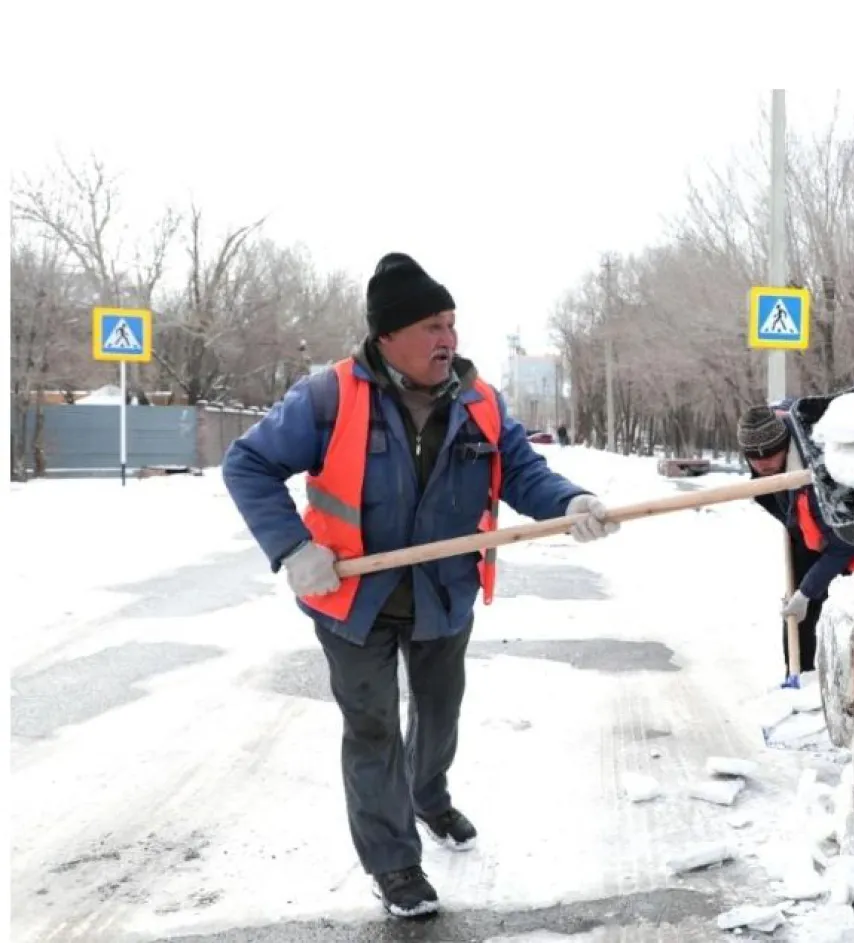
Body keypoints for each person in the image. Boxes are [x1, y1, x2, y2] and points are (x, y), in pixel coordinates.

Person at [222, 252, 619, 919]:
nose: (448, 338)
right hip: (353, 598)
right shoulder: (330, 395)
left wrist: (570, 501)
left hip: (442, 595)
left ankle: (429, 797)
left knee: (438, 716)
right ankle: (395, 861)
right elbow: (248, 464)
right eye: (433, 325)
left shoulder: (479, 401)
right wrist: (294, 547)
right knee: (374, 727)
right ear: (389, 337)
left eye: (452, 323)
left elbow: (523, 472)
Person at [736, 403, 854, 681]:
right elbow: (783, 410)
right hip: (820, 538)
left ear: (786, 443)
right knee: (796, 613)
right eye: (753, 457)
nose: (762, 463)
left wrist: (808, 591)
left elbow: (846, 543)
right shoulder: (774, 448)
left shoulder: (822, 474)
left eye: (771, 454)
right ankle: (798, 678)